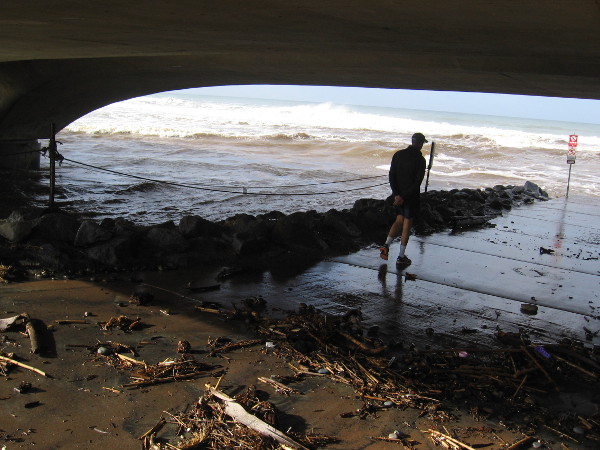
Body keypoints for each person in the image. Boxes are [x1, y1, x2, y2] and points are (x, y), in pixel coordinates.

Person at [379, 132, 427, 268]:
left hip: (398, 195)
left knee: (399, 220)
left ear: (412, 141)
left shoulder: (398, 154)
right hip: (410, 197)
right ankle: (401, 257)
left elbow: (391, 175)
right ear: (421, 143)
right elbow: (417, 182)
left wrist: (396, 195)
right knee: (406, 224)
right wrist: (404, 197)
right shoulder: (420, 160)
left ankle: (386, 246)